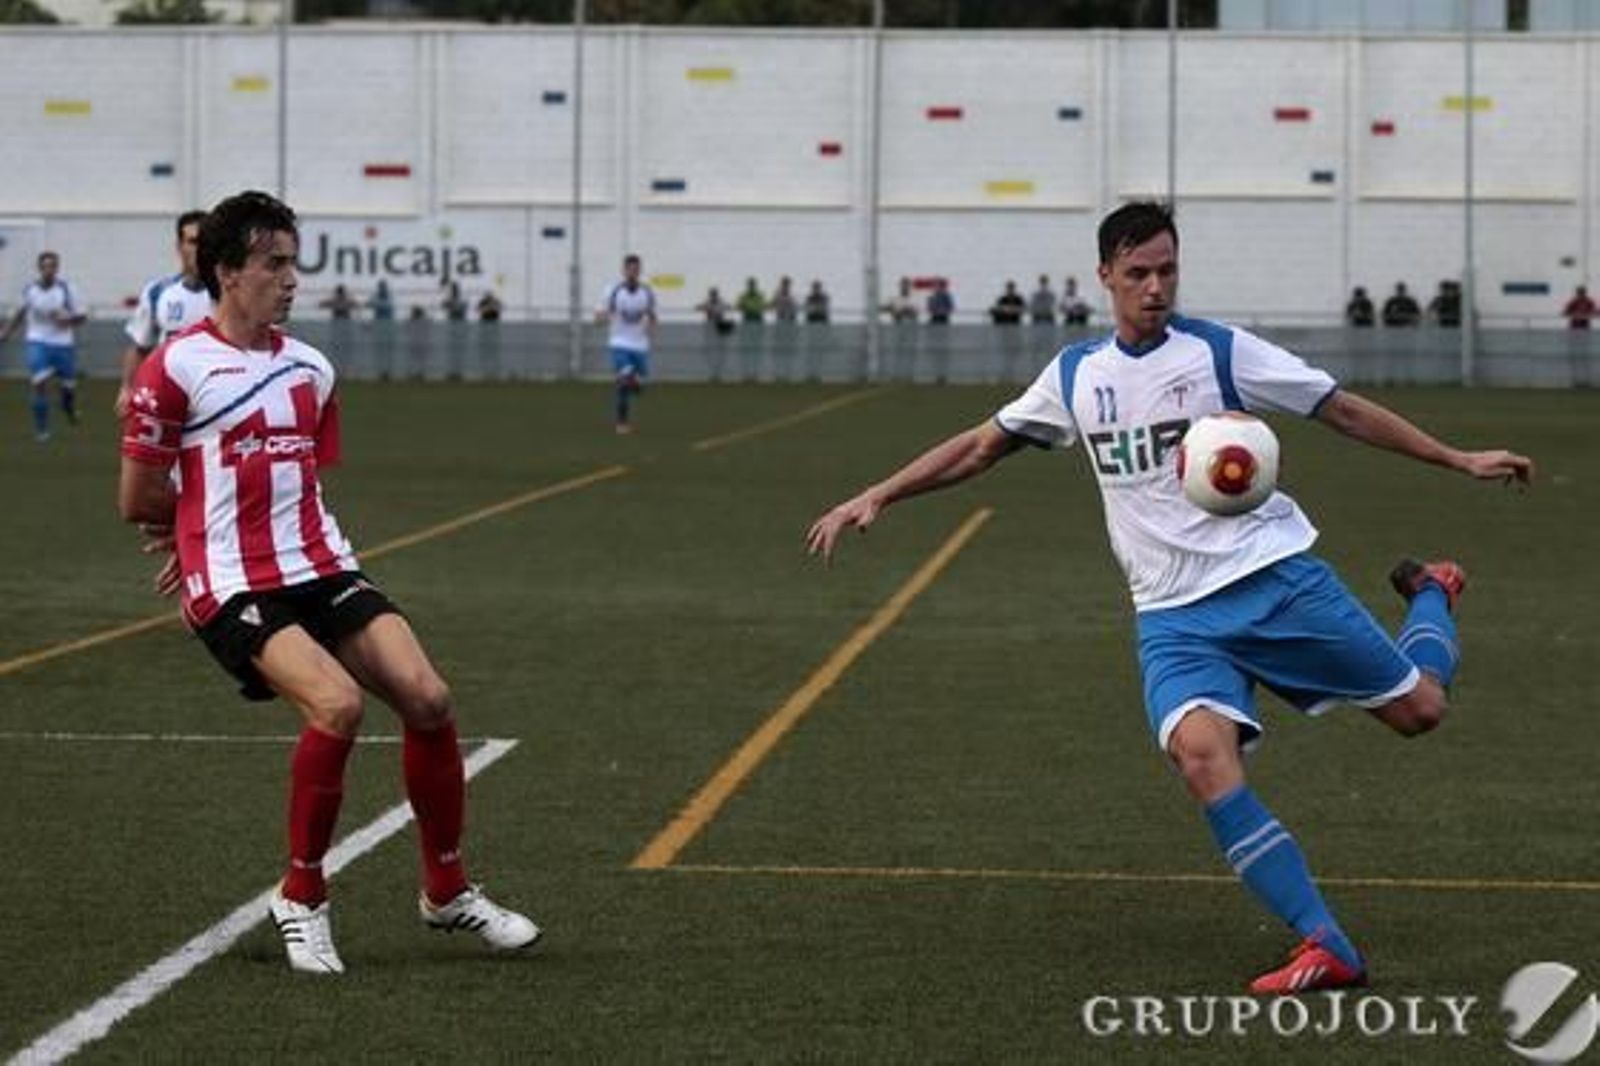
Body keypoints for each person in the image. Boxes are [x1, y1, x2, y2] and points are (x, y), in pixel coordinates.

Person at [805, 201, 1533, 996]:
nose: (1155, 287)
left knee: (1420, 711)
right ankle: (1328, 944)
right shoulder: (1077, 375)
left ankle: (1430, 594)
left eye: (1167, 271)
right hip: (1173, 618)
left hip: (1273, 582)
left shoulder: (1220, 351)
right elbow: (984, 445)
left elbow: (1340, 407)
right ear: (1106, 278)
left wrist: (1457, 459)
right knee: (1200, 758)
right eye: (1139, 273)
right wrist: (880, 492)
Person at [117, 190, 539, 976]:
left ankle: (445, 889)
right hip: (233, 582)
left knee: (429, 698)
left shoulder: (312, 368)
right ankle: (302, 898)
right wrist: (193, 535)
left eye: (292, 262)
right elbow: (137, 497)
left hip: (321, 562)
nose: (290, 279)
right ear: (226, 270)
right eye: (274, 263)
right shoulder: (172, 366)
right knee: (338, 706)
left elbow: (297, 478)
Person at [117, 211, 213, 418]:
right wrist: (127, 388)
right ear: (179, 247)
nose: (201, 249)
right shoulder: (158, 292)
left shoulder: (232, 293)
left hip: (215, 400)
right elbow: (140, 347)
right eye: (193, 242)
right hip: (166, 398)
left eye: (207, 242)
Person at [0, 250, 88, 442]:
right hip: (37, 341)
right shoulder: (29, 290)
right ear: (39, 268)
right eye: (45, 266)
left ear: (57, 268)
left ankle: (69, 409)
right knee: (39, 383)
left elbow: (82, 316)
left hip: (63, 344)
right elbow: (20, 313)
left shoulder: (66, 289)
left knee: (68, 389)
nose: (49, 269)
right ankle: (42, 429)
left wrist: (67, 319)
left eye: (52, 266)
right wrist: (6, 332)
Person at [596, 254, 656, 433]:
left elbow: (652, 317)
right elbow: (599, 315)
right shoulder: (612, 291)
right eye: (629, 269)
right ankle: (622, 422)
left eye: (636, 269)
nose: (632, 272)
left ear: (640, 271)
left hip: (640, 345)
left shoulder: (647, 292)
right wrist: (601, 317)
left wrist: (651, 330)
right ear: (623, 270)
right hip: (619, 343)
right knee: (625, 377)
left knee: (638, 383)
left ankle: (634, 383)